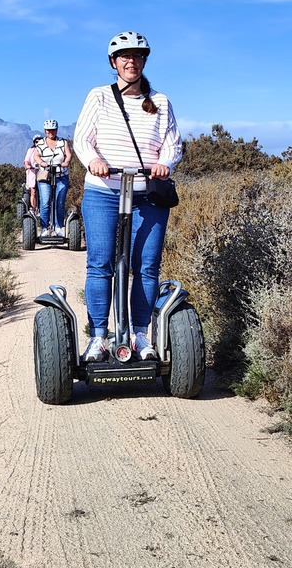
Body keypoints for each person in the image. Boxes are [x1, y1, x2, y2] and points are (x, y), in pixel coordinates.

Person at [73, 31, 182, 362]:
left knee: (146, 266)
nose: (130, 61)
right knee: (100, 264)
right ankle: (97, 337)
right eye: (124, 56)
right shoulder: (99, 97)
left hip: (146, 195)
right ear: (113, 63)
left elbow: (173, 143)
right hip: (104, 192)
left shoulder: (160, 102)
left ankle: (139, 335)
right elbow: (82, 138)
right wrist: (94, 160)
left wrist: (164, 163)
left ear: (144, 61)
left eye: (136, 56)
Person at [33, 119, 72, 237]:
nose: (51, 132)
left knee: (59, 202)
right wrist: (41, 163)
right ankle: (45, 228)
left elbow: (68, 155)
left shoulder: (63, 142)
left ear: (56, 130)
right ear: (45, 131)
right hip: (45, 175)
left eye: (53, 130)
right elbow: (36, 156)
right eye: (49, 130)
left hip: (61, 175)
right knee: (45, 202)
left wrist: (65, 162)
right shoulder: (40, 143)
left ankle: (59, 227)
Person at [23, 134, 42, 212]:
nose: (38, 143)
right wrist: (27, 165)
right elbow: (26, 160)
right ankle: (34, 209)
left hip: (42, 173)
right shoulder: (30, 150)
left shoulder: (44, 150)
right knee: (33, 191)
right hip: (32, 172)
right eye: (37, 141)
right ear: (34, 142)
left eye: (40, 141)